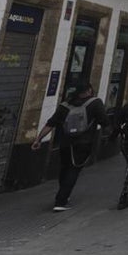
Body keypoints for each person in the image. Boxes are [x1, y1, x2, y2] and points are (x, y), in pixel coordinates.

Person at [31, 81, 109, 212]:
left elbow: (51, 123)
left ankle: (63, 195)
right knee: (74, 170)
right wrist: (110, 134)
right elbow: (105, 121)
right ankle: (61, 201)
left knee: (65, 169)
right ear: (89, 90)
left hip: (65, 142)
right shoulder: (95, 103)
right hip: (83, 143)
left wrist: (38, 139)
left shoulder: (65, 105)